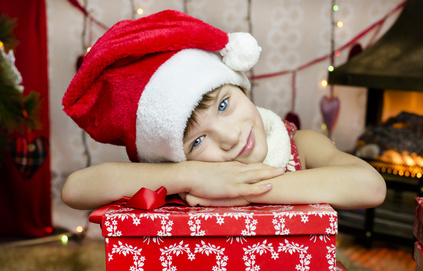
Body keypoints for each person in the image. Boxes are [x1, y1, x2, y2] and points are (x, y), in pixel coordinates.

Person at [61, 10, 386, 211]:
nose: (230, 136)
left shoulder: (300, 144)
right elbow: (75, 190)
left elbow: (370, 186)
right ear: (177, 156)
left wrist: (244, 191)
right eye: (198, 142)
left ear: (242, 87)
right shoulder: (186, 176)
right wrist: (191, 176)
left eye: (224, 105)